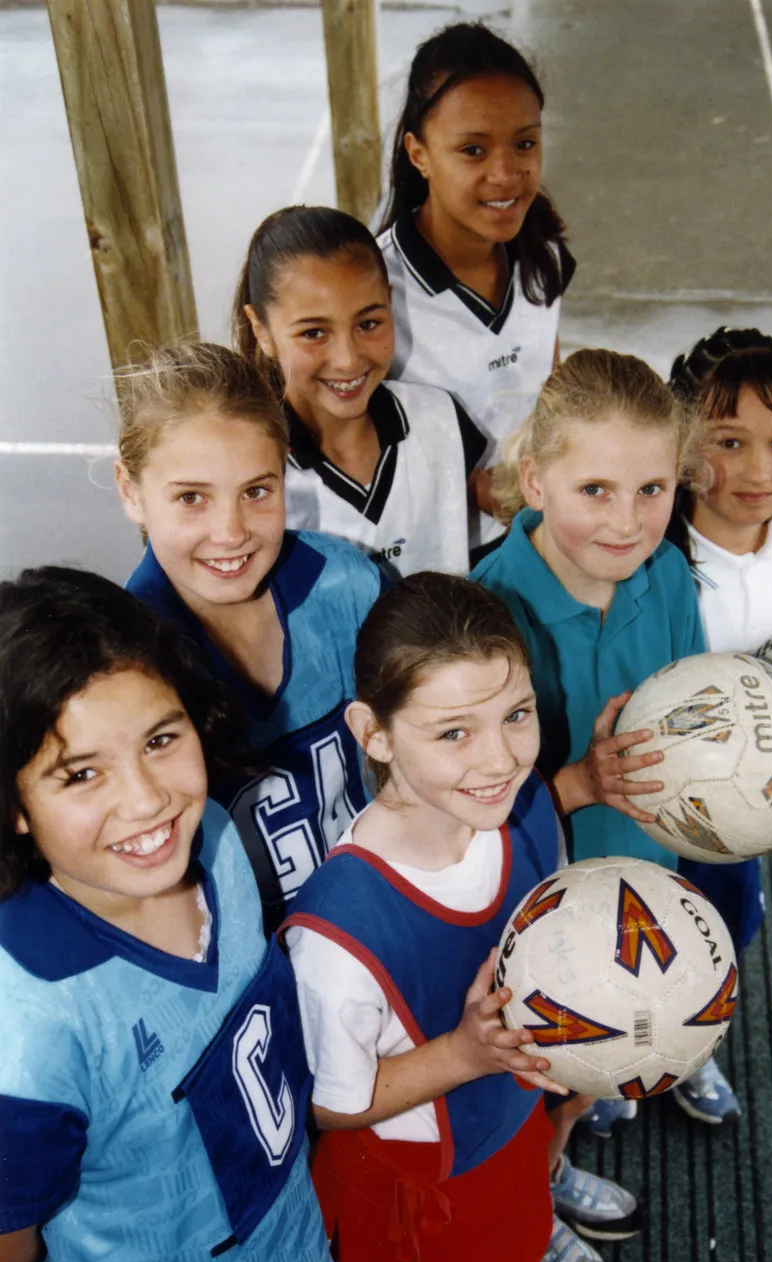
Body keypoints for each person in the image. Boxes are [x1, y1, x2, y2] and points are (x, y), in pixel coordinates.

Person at [0, 567, 355, 1262]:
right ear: (14, 805)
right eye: (80, 773)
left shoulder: (217, 846)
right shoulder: (31, 1032)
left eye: (162, 740)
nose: (148, 799)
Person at [282, 574, 590, 1262]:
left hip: (505, 1125)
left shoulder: (521, 807)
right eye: (452, 731)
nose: (497, 757)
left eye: (517, 714)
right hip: (408, 1175)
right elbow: (333, 1104)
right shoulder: (337, 930)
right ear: (373, 733)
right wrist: (462, 1054)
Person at [472, 348, 743, 1180]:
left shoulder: (664, 573)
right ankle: (540, 1188)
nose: (627, 521)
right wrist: (578, 782)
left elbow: (699, 714)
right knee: (534, 1083)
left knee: (608, 1048)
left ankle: (610, 1087)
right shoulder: (488, 607)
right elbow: (464, 811)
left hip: (644, 865)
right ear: (536, 481)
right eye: (596, 490)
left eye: (652, 490)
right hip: (535, 901)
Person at [118, 341, 382, 928]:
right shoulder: (120, 666)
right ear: (131, 491)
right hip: (254, 980)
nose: (230, 532)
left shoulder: (349, 585)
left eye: (257, 491)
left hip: (382, 922)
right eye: (192, 498)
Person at [665, 325, 772, 1116]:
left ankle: (695, 1046)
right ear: (684, 437)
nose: (760, 470)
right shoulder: (653, 559)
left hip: (743, 809)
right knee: (638, 924)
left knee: (722, 930)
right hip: (649, 795)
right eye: (729, 441)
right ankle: (605, 1059)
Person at [377, 22, 575, 549]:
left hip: (533, 535)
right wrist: (466, 488)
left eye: (525, 143)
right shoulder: (374, 291)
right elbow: (350, 442)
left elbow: (548, 390)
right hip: (432, 559)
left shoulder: (543, 259)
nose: (506, 173)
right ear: (419, 154)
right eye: (473, 150)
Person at [234, 206, 487, 577]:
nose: (348, 360)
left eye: (368, 323)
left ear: (390, 301)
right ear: (261, 330)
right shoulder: (249, 471)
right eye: (313, 333)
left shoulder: (440, 418)